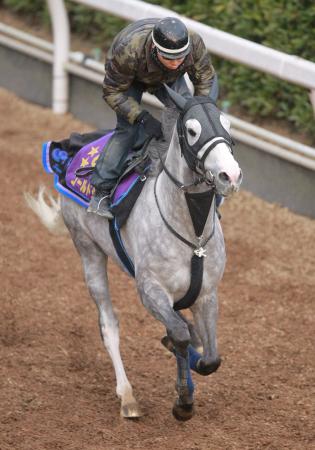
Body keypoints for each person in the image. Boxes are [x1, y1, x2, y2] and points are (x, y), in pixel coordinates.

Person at [88, 17, 216, 217]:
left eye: (180, 58)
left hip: (167, 79)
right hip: (128, 80)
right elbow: (112, 92)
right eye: (169, 58)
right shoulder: (128, 51)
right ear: (155, 49)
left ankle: (195, 180)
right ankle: (101, 192)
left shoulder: (194, 43)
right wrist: (142, 118)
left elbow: (205, 78)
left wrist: (200, 112)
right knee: (127, 131)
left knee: (188, 120)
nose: (175, 63)